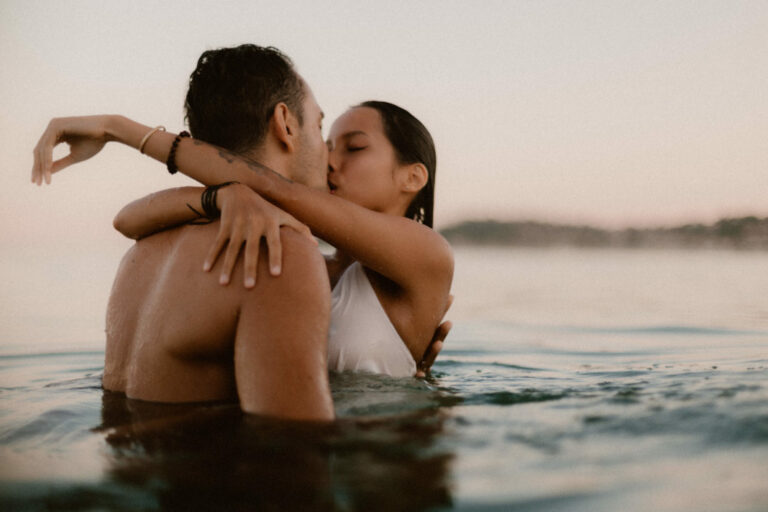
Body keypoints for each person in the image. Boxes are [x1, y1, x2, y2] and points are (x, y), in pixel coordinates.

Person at [33, 45, 453, 381]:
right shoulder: (306, 260)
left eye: (354, 147)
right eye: (327, 139)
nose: (329, 157)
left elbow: (270, 186)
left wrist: (119, 128)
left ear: (413, 177)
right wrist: (222, 197)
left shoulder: (429, 254)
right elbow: (127, 219)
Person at [33, 46, 335, 421]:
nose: (329, 152)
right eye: (320, 127)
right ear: (285, 123)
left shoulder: (141, 250)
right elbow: (294, 453)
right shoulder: (277, 251)